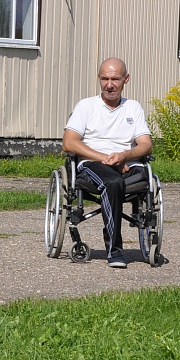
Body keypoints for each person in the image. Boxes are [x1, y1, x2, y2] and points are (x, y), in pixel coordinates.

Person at [63, 57, 153, 269]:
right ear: (99, 78)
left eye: (115, 79)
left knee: (143, 177)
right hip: (93, 164)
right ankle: (115, 248)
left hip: (127, 164)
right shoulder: (86, 106)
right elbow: (69, 142)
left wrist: (124, 155)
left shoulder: (133, 108)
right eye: (105, 78)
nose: (109, 84)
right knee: (112, 182)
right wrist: (105, 158)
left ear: (126, 79)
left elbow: (146, 145)